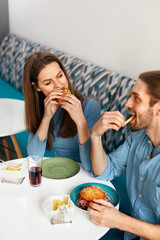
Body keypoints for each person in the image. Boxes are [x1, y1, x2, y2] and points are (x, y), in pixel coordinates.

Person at [88, 71, 160, 240]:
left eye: (136, 98)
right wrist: (96, 136)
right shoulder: (137, 137)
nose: (127, 103)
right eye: (130, 96)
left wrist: (119, 221)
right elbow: (104, 172)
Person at [23, 51, 101, 172]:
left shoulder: (90, 106)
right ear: (36, 87)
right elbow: (34, 157)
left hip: (87, 173)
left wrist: (80, 120)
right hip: (60, 171)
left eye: (60, 76)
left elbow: (90, 166)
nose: (59, 85)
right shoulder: (40, 108)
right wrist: (46, 118)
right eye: (48, 83)